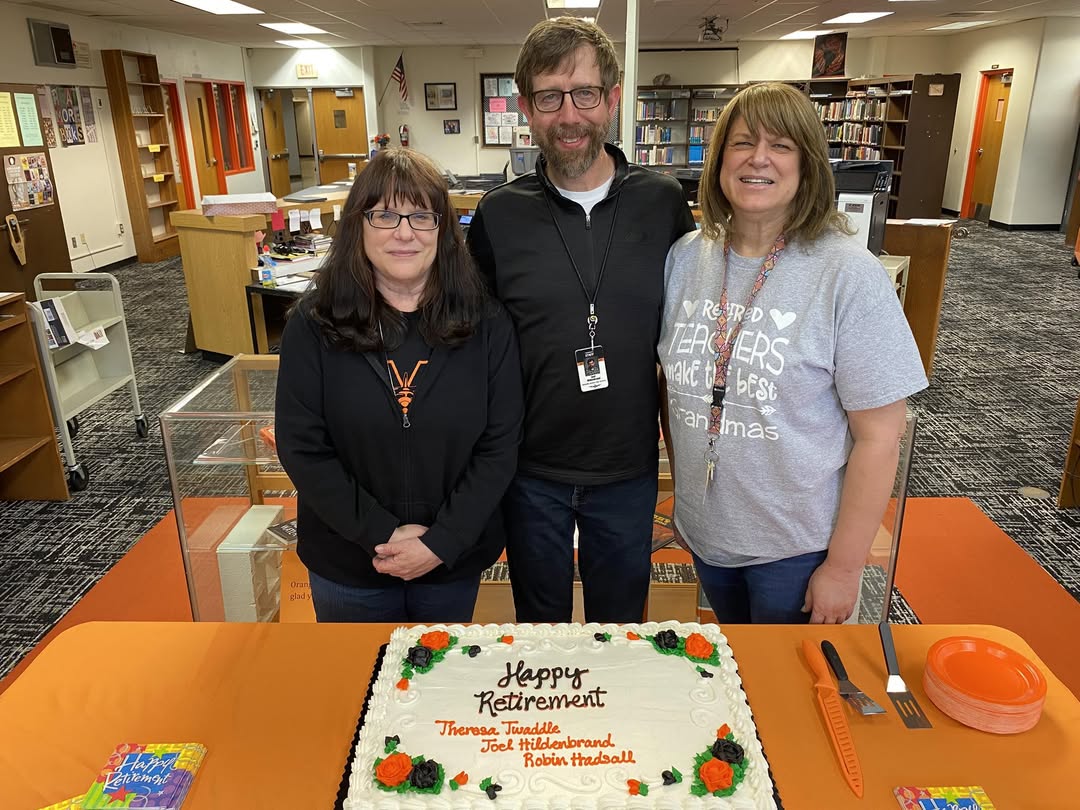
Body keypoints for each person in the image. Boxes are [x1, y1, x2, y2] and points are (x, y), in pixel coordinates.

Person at [658, 82, 928, 624]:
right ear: (717, 162)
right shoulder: (685, 258)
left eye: (781, 146)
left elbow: (880, 437)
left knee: (792, 697)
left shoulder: (847, 274)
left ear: (808, 165)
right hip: (708, 535)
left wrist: (846, 568)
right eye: (742, 143)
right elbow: (672, 385)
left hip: (799, 550)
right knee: (739, 680)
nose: (759, 159)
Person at [467, 17, 695, 623]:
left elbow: (691, 332)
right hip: (529, 470)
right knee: (539, 629)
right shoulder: (499, 215)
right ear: (526, 107)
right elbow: (471, 346)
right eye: (549, 97)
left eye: (585, 94)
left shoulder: (663, 202)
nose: (569, 115)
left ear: (613, 99)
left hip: (627, 468)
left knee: (621, 630)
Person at [275, 147, 523, 623]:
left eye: (421, 216)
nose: (404, 232)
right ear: (358, 224)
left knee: (437, 686)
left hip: (450, 559)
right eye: (385, 214)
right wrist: (381, 533)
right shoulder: (313, 323)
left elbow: (501, 444)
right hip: (349, 560)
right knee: (357, 687)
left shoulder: (487, 322)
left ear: (442, 229)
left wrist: (440, 541)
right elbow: (302, 447)